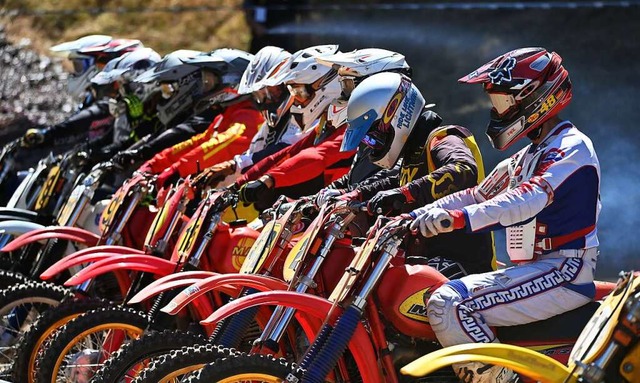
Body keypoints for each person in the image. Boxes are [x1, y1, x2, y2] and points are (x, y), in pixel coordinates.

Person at [411, 48, 600, 383]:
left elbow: (526, 199)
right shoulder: (529, 155)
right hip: (533, 270)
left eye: (502, 102)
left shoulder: (571, 148)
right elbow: (478, 193)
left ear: (533, 98)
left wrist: (458, 219)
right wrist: (417, 214)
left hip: (563, 270)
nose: (496, 111)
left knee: (449, 303)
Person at [328, 71, 495, 278]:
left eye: (372, 139)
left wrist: (405, 193)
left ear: (395, 116)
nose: (371, 147)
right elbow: (394, 180)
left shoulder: (442, 138)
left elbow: (463, 169)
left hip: (463, 267)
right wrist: (355, 195)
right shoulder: (411, 154)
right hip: (426, 261)